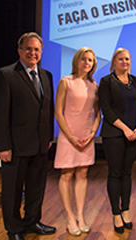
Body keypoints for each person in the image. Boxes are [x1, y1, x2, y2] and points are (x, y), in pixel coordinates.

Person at [0, 32, 56, 240]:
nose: (33, 53)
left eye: (36, 49)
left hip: (40, 145)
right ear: (20, 51)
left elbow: (48, 108)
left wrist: (49, 137)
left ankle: (32, 221)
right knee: (12, 192)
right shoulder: (6, 74)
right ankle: (15, 229)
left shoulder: (46, 75)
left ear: (41, 52)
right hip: (15, 147)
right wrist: (3, 146)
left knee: (36, 188)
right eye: (28, 49)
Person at [54, 47, 101, 235]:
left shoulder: (95, 86)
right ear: (76, 61)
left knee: (82, 174)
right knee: (66, 175)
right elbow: (58, 112)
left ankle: (80, 216)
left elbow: (98, 114)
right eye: (84, 59)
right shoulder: (66, 82)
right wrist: (70, 136)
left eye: (90, 60)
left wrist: (92, 133)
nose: (87, 63)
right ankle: (70, 217)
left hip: (86, 137)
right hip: (68, 135)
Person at [98, 48, 136, 234]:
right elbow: (107, 110)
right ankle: (116, 213)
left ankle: (126, 209)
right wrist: (126, 129)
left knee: (127, 173)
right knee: (115, 173)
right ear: (114, 61)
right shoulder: (106, 82)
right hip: (115, 135)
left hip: (134, 134)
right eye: (120, 59)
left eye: (127, 58)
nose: (124, 62)